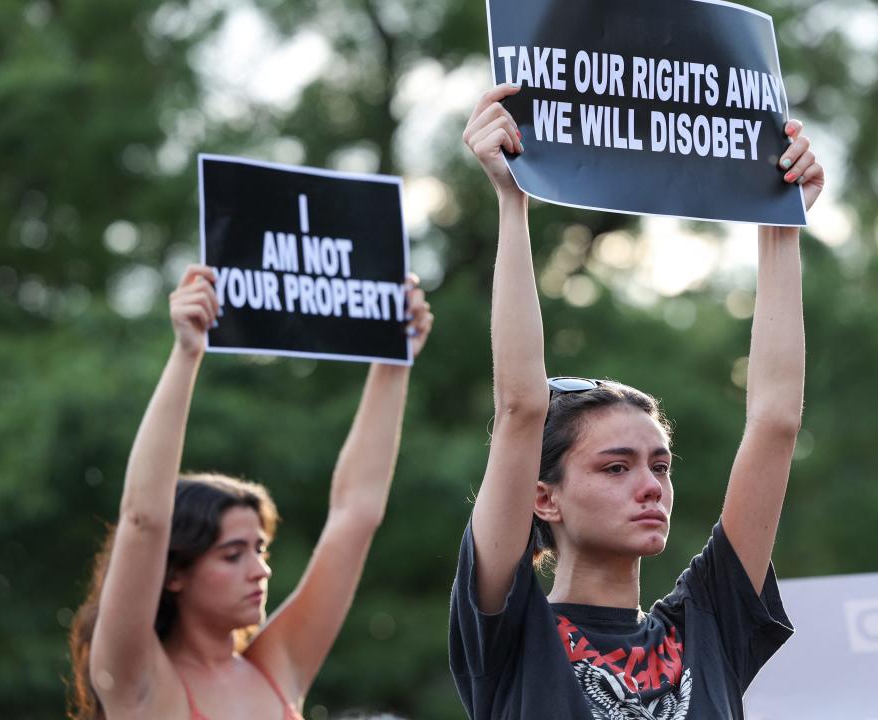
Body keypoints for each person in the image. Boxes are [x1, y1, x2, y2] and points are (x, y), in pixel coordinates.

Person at [449, 83, 824, 719]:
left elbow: (775, 422)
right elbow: (520, 408)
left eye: (659, 465)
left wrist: (781, 223)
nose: (650, 486)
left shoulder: (710, 623)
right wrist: (512, 199)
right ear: (545, 498)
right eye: (615, 467)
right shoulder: (510, 633)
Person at [69, 264, 433, 720]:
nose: (260, 570)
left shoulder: (276, 667)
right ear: (175, 573)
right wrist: (187, 354)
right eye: (232, 554)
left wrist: (392, 359)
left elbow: (354, 515)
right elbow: (144, 521)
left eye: (259, 549)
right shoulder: (136, 679)